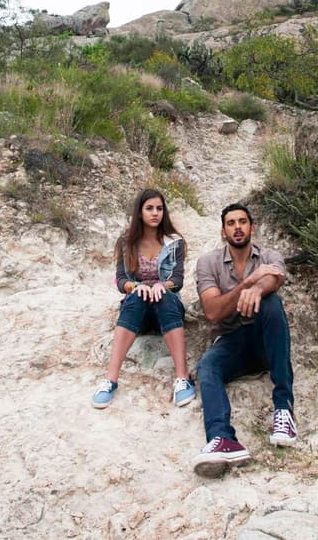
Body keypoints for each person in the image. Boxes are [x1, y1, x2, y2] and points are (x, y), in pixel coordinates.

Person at [191, 203, 296, 477]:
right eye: (231, 223)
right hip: (230, 342)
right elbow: (213, 311)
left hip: (265, 341)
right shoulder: (208, 263)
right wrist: (246, 286)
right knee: (206, 367)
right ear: (223, 231)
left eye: (242, 222)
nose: (237, 227)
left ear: (252, 227)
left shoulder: (269, 255)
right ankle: (222, 439)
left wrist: (260, 288)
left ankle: (284, 410)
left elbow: (274, 280)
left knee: (272, 303)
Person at [91, 188, 196, 409]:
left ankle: (182, 378)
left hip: (166, 310)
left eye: (159, 208)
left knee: (165, 296)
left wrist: (161, 285)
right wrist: (137, 286)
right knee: (136, 296)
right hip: (138, 311)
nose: (155, 213)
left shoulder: (174, 242)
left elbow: (177, 279)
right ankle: (110, 380)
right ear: (140, 212)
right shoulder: (126, 242)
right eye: (149, 208)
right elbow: (120, 280)